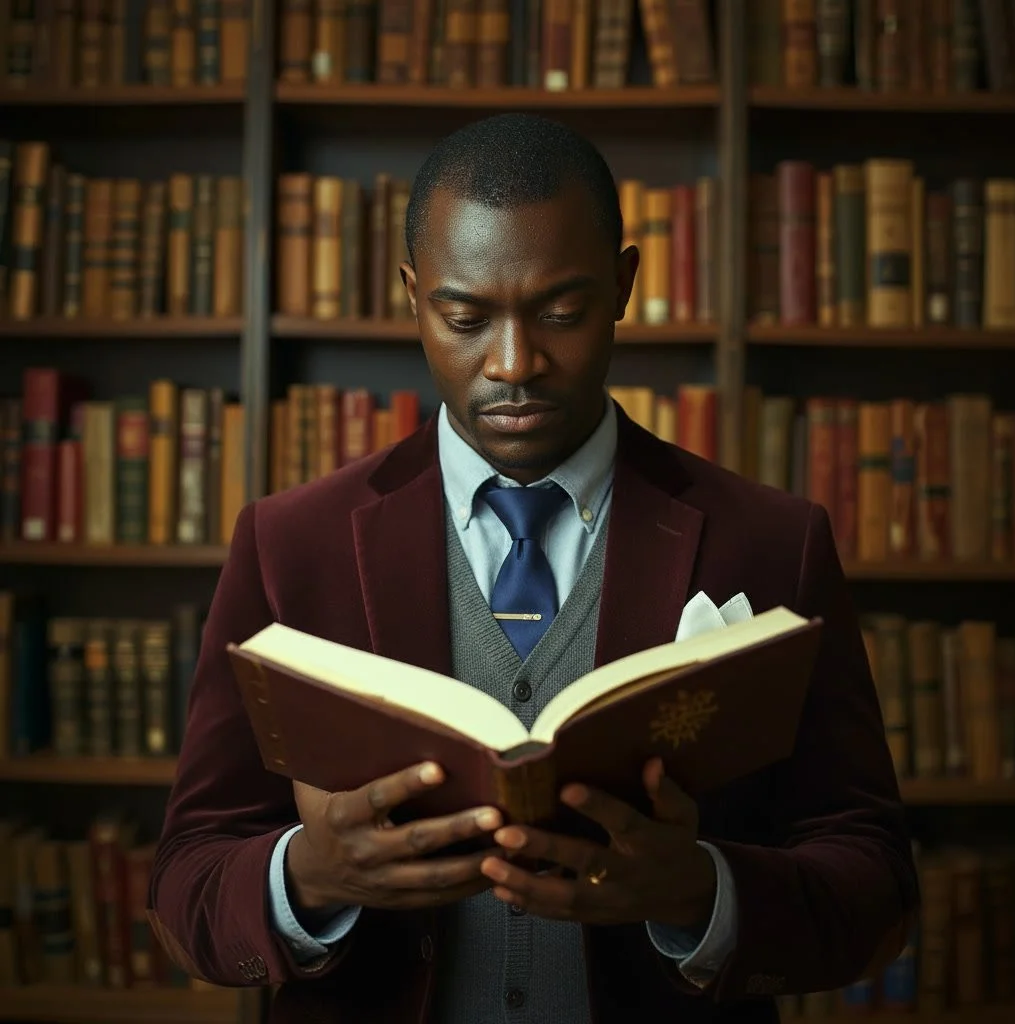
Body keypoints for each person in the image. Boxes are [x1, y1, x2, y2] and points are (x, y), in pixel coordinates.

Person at [148, 113, 919, 1023]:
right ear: (413, 296)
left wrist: (699, 891)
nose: (515, 365)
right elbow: (186, 885)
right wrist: (309, 878)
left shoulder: (774, 540)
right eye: (466, 318)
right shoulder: (288, 543)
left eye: (561, 312)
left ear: (623, 286)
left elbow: (876, 886)